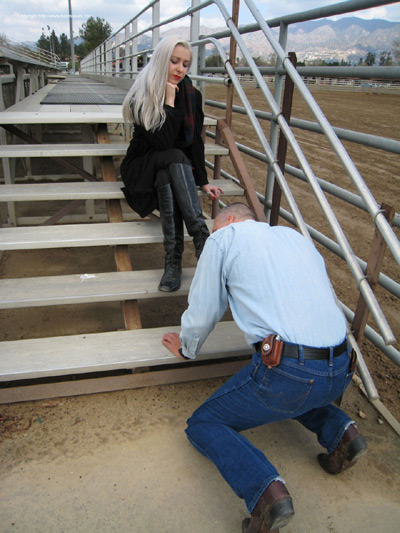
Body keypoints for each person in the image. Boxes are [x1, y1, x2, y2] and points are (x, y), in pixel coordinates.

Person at [162, 203, 368, 532]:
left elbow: (205, 306)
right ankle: (344, 434)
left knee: (203, 423)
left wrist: (187, 348)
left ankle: (266, 494)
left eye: (217, 228)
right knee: (298, 390)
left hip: (290, 374)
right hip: (343, 365)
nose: (216, 233)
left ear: (228, 221)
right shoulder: (295, 237)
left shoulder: (223, 238)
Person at [121, 36, 222, 292]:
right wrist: (168, 99)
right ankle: (200, 236)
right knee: (174, 156)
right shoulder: (142, 93)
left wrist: (203, 181)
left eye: (186, 64)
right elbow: (163, 142)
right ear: (162, 60)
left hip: (169, 169)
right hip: (142, 164)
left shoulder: (192, 96)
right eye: (174, 61)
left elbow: (195, 143)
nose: (180, 69)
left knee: (167, 171)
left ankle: (173, 262)